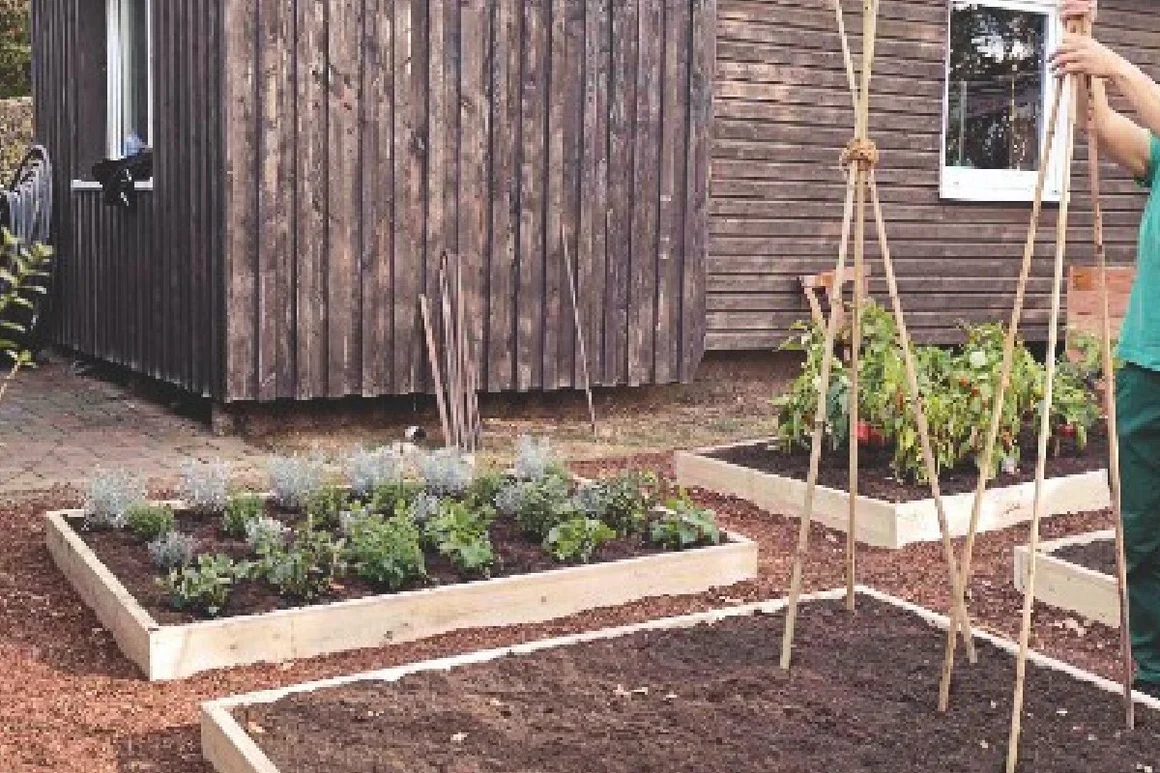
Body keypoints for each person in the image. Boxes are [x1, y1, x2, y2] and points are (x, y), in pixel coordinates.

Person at [1053, 0, 1160, 699]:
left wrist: (1112, 61)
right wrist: (1085, 48)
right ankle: (1154, 674)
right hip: (1145, 365)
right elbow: (1109, 129)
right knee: (1143, 528)